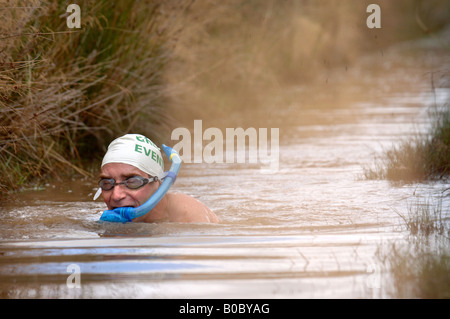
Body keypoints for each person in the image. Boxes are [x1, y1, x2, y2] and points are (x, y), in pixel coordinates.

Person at [94, 134, 219, 223]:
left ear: (158, 183)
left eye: (132, 181)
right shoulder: (107, 220)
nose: (116, 196)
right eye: (107, 183)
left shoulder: (187, 215)